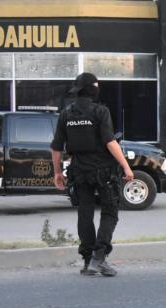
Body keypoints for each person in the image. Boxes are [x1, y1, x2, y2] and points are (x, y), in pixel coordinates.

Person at [50, 72, 134, 277]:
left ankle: (88, 261)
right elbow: (110, 141)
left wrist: (58, 172)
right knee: (110, 211)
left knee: (84, 213)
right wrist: (126, 166)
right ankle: (99, 257)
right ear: (91, 88)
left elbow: (56, 147)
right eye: (96, 85)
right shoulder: (100, 111)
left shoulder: (66, 114)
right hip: (103, 170)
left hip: (79, 171)